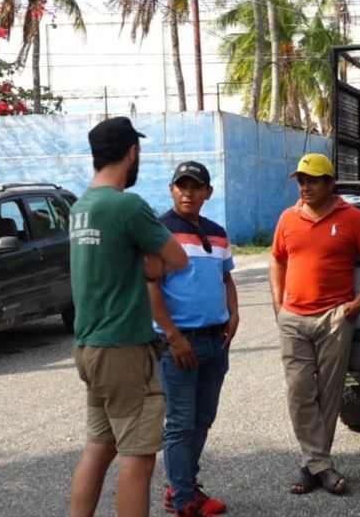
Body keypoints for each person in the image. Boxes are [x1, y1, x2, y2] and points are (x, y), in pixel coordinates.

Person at [68, 116, 189, 517]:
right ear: (132, 152)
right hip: (123, 348)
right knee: (138, 457)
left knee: (99, 446)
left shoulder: (81, 205)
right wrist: (150, 266)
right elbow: (175, 257)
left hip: (89, 346)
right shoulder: (126, 205)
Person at [269, 152, 360, 496]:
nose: (305, 187)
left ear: (330, 183)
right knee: (299, 393)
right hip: (294, 318)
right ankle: (321, 465)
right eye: (301, 181)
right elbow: (276, 259)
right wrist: (278, 303)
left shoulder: (352, 218)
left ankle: (311, 466)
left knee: (329, 394)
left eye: (312, 180)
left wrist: (358, 303)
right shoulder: (287, 218)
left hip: (335, 317)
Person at [149, 161, 239, 517]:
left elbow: (227, 279)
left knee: (203, 418)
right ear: (171, 189)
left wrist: (234, 314)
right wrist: (173, 337)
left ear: (208, 193)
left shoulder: (217, 233)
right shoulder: (159, 232)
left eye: (195, 186)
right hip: (178, 345)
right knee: (180, 423)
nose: (188, 192)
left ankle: (182, 485)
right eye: (181, 185)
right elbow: (151, 287)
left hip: (215, 341)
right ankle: (184, 500)